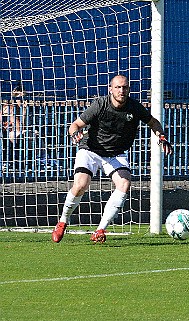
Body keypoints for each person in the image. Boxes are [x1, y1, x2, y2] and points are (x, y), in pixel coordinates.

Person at [52, 75, 173, 243]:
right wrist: (74, 134)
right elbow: (75, 125)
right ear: (110, 89)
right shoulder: (100, 105)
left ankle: (100, 230)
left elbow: (153, 122)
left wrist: (162, 137)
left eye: (124, 88)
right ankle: (63, 221)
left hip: (116, 154)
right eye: (117, 87)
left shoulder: (134, 107)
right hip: (91, 150)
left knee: (124, 184)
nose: (121, 91)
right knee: (81, 185)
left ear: (128, 89)